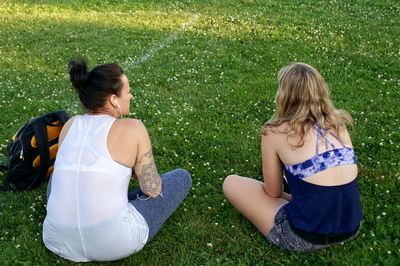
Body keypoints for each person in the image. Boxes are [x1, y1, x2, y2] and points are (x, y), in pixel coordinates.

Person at [42, 58, 192, 262]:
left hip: (55, 238)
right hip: (114, 242)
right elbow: (152, 189)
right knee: (181, 178)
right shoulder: (133, 128)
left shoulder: (70, 124)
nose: (131, 95)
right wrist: (136, 171)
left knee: (62, 175)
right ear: (114, 100)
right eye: (127, 91)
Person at [223, 62, 361, 251]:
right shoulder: (338, 124)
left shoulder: (274, 132)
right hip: (350, 226)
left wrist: (289, 196)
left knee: (232, 183)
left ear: (284, 95)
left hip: (305, 236)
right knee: (301, 179)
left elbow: (273, 192)